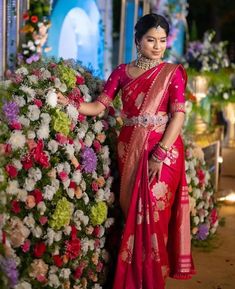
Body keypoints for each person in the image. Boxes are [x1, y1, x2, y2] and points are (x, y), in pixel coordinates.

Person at [58, 13, 195, 289]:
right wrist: (69, 104)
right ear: (137, 40)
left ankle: (153, 280)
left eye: (162, 40)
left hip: (163, 151)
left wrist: (160, 153)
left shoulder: (172, 74)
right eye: (151, 40)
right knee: (132, 211)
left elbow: (178, 116)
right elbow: (99, 107)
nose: (157, 46)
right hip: (130, 149)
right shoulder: (122, 72)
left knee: (156, 216)